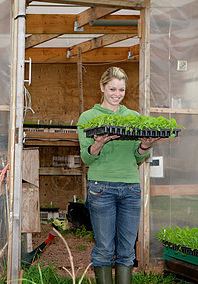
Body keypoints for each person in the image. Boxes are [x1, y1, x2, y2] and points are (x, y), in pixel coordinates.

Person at [77, 67, 162, 284]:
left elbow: (137, 156)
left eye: (121, 89)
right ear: (102, 88)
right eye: (112, 88)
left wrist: (145, 145)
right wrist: (99, 142)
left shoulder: (133, 117)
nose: (117, 93)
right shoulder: (88, 117)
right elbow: (87, 159)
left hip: (131, 188)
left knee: (126, 249)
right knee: (104, 248)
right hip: (101, 187)